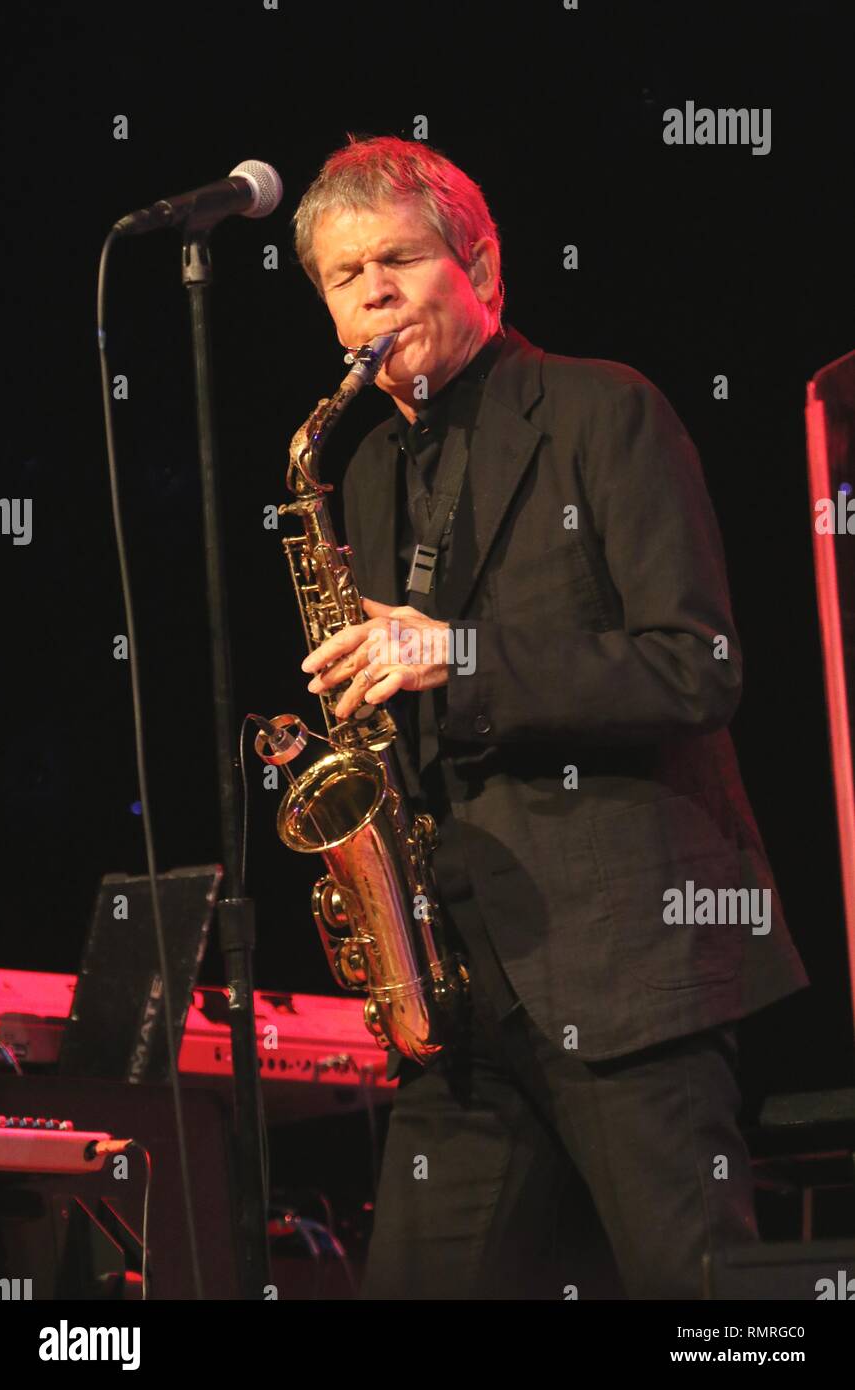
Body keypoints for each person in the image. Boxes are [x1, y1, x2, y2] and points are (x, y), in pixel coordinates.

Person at [290, 134, 809, 1299]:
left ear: (481, 267)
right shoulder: (362, 469)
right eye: (342, 275)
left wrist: (454, 657)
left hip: (628, 979)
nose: (370, 290)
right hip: (460, 1005)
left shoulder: (601, 407)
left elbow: (695, 667)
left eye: (399, 260)